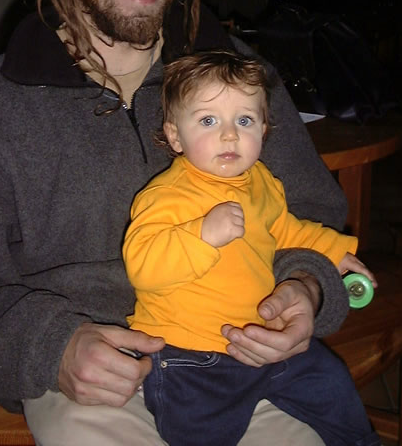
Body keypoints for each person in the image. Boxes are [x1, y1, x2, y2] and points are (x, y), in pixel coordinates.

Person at [0, 0, 353, 446]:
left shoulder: (242, 78)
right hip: (98, 376)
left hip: (246, 348)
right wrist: (52, 346)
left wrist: (306, 286)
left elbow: (312, 210)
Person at [123, 50, 379, 446]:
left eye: (244, 120)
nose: (229, 135)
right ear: (175, 136)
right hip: (190, 356)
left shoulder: (260, 181)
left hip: (264, 339)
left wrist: (333, 250)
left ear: (263, 129)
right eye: (208, 121)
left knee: (331, 383)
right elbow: (143, 266)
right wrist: (201, 235)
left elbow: (285, 230)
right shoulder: (167, 196)